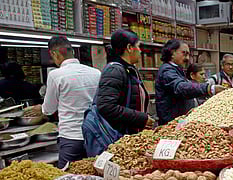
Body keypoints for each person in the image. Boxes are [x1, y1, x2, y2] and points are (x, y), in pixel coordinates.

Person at [29, 36, 100, 169]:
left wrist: (41, 108)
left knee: (67, 177)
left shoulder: (56, 75)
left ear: (54, 54)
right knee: (94, 175)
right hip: (94, 136)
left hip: (71, 137)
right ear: (72, 51)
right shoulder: (96, 73)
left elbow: (49, 109)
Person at [96, 29, 154, 136]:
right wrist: (141, 118)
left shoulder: (129, 69)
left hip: (130, 134)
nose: (140, 51)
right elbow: (106, 106)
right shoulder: (114, 71)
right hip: (118, 135)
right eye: (138, 46)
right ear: (129, 48)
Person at [155, 39, 225, 125]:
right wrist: (209, 88)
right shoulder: (167, 70)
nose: (187, 58)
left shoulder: (177, 69)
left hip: (178, 121)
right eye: (184, 54)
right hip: (171, 122)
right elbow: (180, 87)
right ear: (172, 53)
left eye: (188, 54)